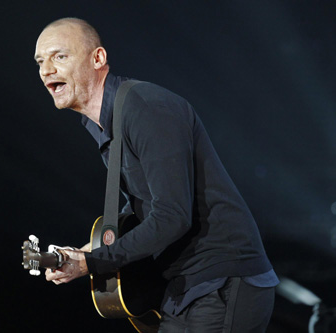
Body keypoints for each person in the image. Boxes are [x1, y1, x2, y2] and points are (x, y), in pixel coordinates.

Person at [34, 17, 279, 332]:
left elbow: (171, 215)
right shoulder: (105, 123)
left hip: (221, 282)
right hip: (181, 290)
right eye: (40, 61)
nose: (46, 70)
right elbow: (142, 206)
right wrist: (82, 253)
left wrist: (92, 263)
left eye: (59, 56)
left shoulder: (146, 108)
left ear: (98, 58)